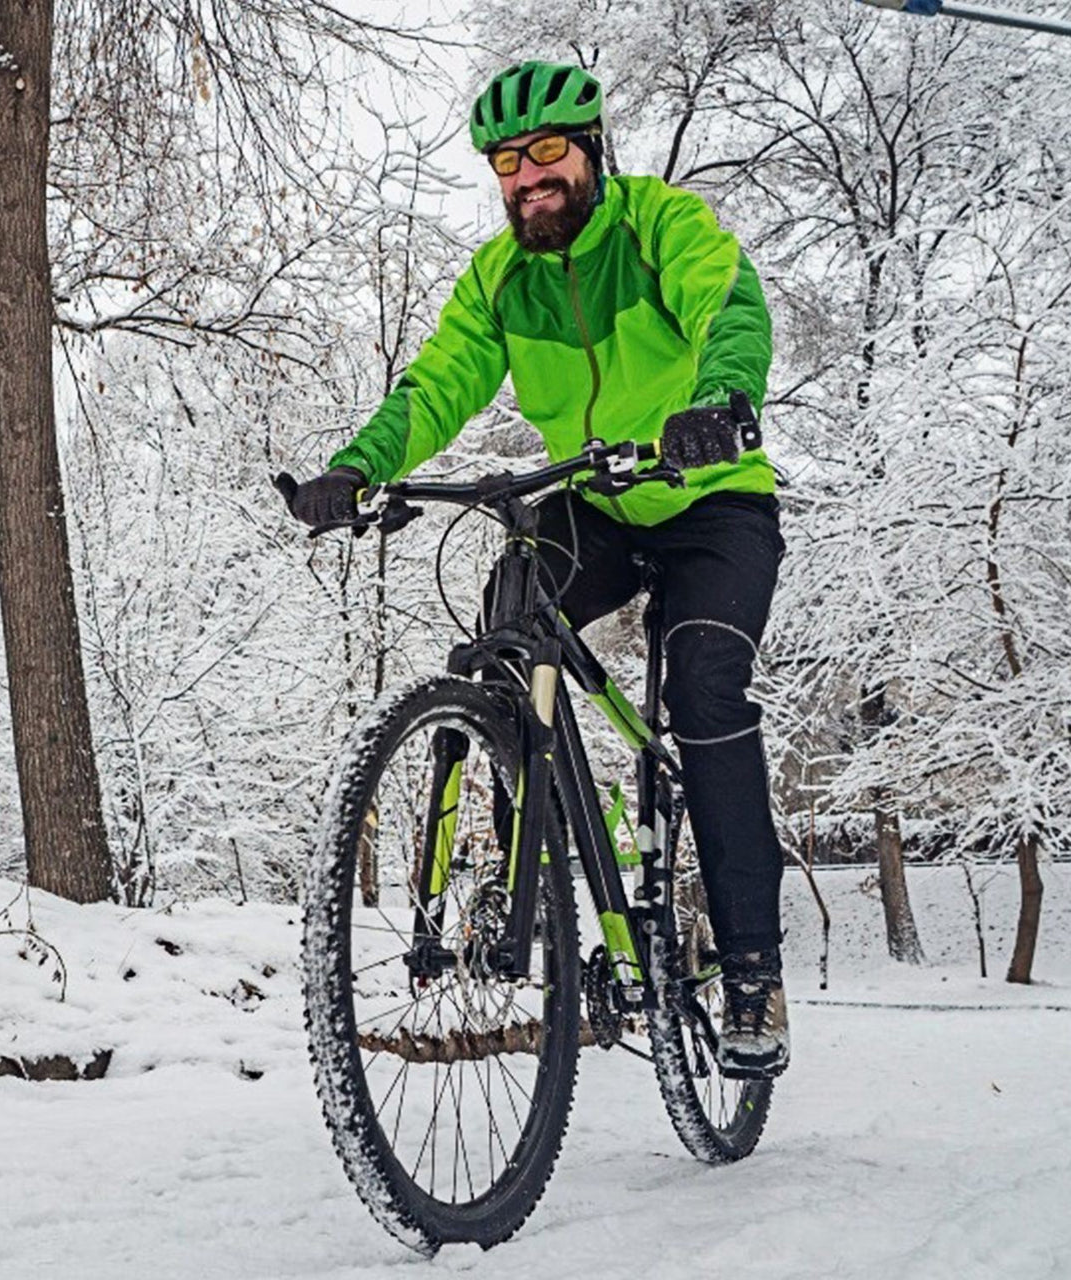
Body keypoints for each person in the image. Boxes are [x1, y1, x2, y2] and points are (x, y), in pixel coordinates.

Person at [287, 61, 789, 1078]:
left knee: (699, 683)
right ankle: (517, 880)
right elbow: (437, 385)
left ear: (591, 151)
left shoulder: (658, 226)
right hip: (597, 501)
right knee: (506, 627)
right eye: (508, 162)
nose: (527, 179)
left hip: (711, 496)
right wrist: (359, 466)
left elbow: (725, 302)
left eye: (546, 153)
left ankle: (748, 967)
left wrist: (722, 395)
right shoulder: (499, 277)